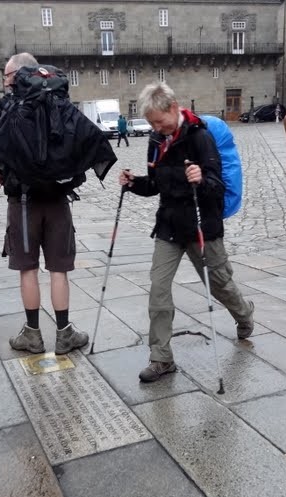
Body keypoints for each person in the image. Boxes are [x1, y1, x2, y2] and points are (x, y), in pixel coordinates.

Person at [119, 82, 255, 383]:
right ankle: (161, 358)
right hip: (169, 226)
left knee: (220, 284)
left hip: (201, 226)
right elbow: (155, 184)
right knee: (158, 289)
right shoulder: (157, 140)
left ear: (173, 107)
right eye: (151, 123)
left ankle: (244, 314)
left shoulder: (201, 137)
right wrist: (133, 183)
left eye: (159, 121)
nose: (156, 128)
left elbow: (217, 188)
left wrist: (200, 178)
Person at [0, 52, 90, 356]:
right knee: (59, 269)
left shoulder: (8, 104)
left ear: (19, 75)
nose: (5, 82)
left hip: (21, 201)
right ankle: (64, 334)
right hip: (59, 199)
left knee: (28, 269)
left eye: (7, 76)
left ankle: (32, 335)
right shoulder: (59, 100)